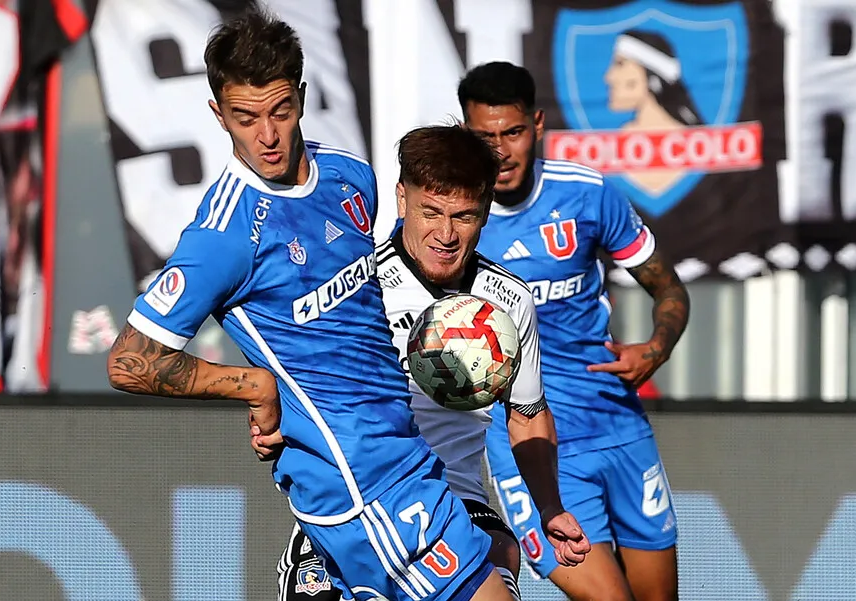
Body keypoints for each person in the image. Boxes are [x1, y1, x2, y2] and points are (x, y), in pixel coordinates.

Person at [105, 13, 578, 601]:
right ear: (218, 115)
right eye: (245, 118)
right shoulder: (223, 236)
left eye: (280, 111)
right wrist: (254, 387)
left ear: (302, 98)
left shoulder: (350, 178)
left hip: (406, 456)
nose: (267, 136)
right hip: (361, 485)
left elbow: (353, 327)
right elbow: (129, 362)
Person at [253, 125, 590, 601]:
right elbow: (295, 382)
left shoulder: (510, 301)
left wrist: (550, 507)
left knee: (500, 554)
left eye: (463, 216)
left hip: (457, 502)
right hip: (360, 502)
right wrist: (272, 420)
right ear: (401, 200)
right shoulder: (354, 287)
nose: (446, 234)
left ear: (485, 211)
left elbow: (528, 414)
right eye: (431, 212)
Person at [458, 62, 691, 601]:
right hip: (529, 445)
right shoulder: (451, 219)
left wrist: (656, 349)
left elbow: (670, 289)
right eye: (484, 137)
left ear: (537, 124)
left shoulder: (587, 194)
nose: (500, 152)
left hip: (618, 426)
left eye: (513, 132)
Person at [603, 30, 704, 194]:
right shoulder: (620, 136)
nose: (609, 77)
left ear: (652, 75)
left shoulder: (694, 139)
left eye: (620, 64)